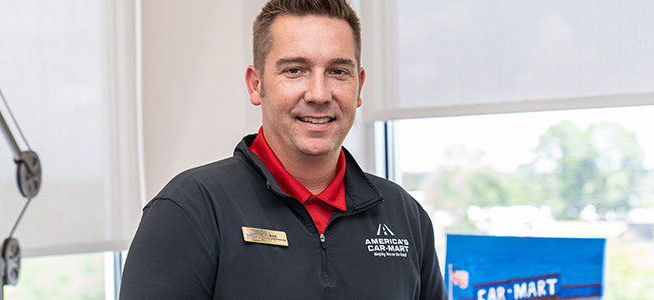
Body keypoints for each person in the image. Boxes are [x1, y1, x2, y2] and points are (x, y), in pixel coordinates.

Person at [119, 0, 447, 299]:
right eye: (294, 70)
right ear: (256, 84)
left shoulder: (403, 215)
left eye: (337, 71)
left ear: (359, 85)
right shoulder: (189, 211)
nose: (319, 94)